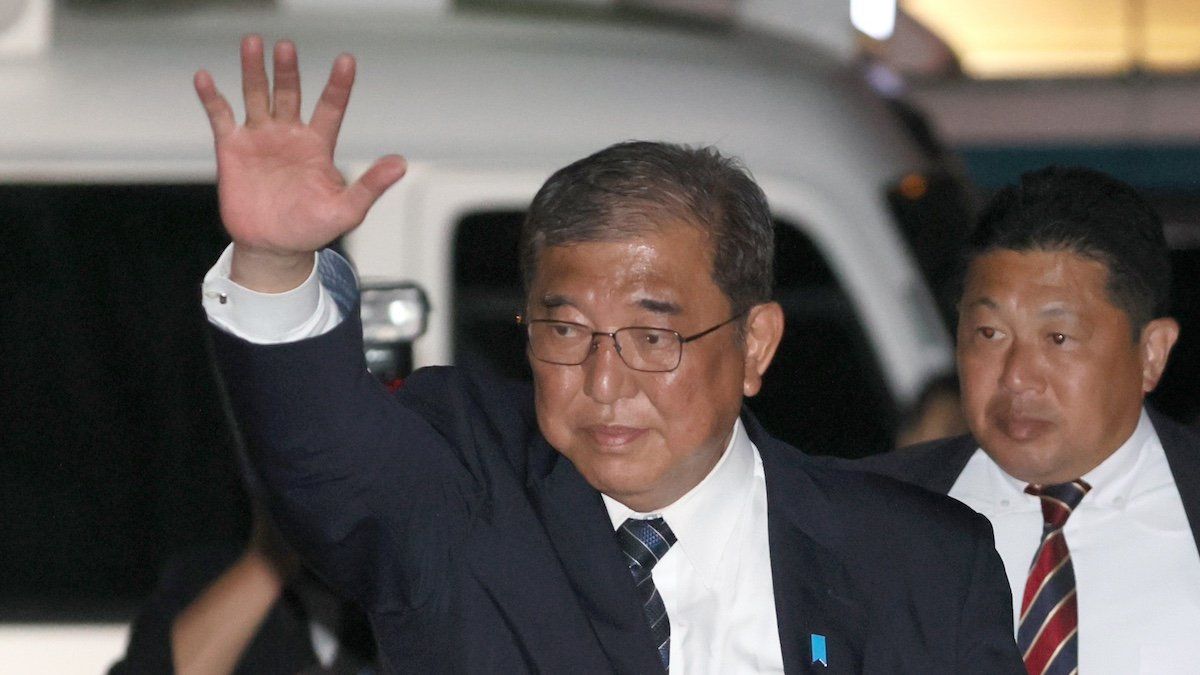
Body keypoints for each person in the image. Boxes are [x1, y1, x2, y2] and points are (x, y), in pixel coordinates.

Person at [196, 35, 1023, 672]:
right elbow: (322, 458)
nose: (602, 380)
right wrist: (274, 265)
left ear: (754, 344)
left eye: (653, 336)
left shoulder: (916, 565)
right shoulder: (466, 496)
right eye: (564, 332)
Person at [858, 166, 1200, 674]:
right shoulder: (861, 520)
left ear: (1151, 353)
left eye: (1057, 338)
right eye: (990, 334)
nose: (1017, 377)